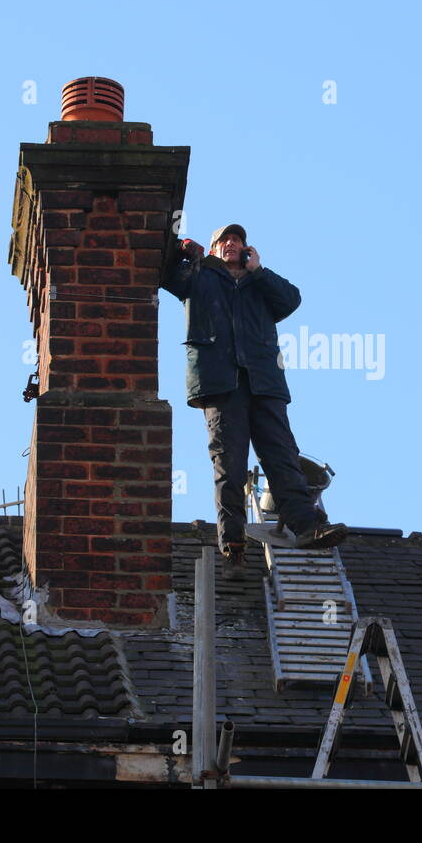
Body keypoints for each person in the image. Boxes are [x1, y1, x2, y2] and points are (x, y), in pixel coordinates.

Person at [160, 223, 348, 577]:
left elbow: (290, 299)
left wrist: (258, 270)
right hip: (221, 383)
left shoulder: (260, 283)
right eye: (224, 240)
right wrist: (184, 249)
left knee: (282, 456)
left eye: (237, 240)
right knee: (229, 463)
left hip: (264, 383)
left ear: (247, 250)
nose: (231, 243)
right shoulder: (198, 277)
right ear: (214, 250)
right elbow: (166, 274)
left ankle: (306, 528)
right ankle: (232, 540)